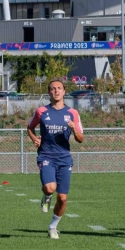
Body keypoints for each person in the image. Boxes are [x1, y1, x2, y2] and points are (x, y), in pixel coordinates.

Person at [28, 79, 84, 240]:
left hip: (64, 158)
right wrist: (34, 139)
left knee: (63, 198)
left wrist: (74, 130)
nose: (56, 91)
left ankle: (53, 227)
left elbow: (81, 139)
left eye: (59, 88)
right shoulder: (41, 111)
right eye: (53, 89)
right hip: (46, 156)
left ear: (64, 91)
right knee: (49, 188)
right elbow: (30, 127)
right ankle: (46, 197)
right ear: (49, 92)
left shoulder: (73, 113)